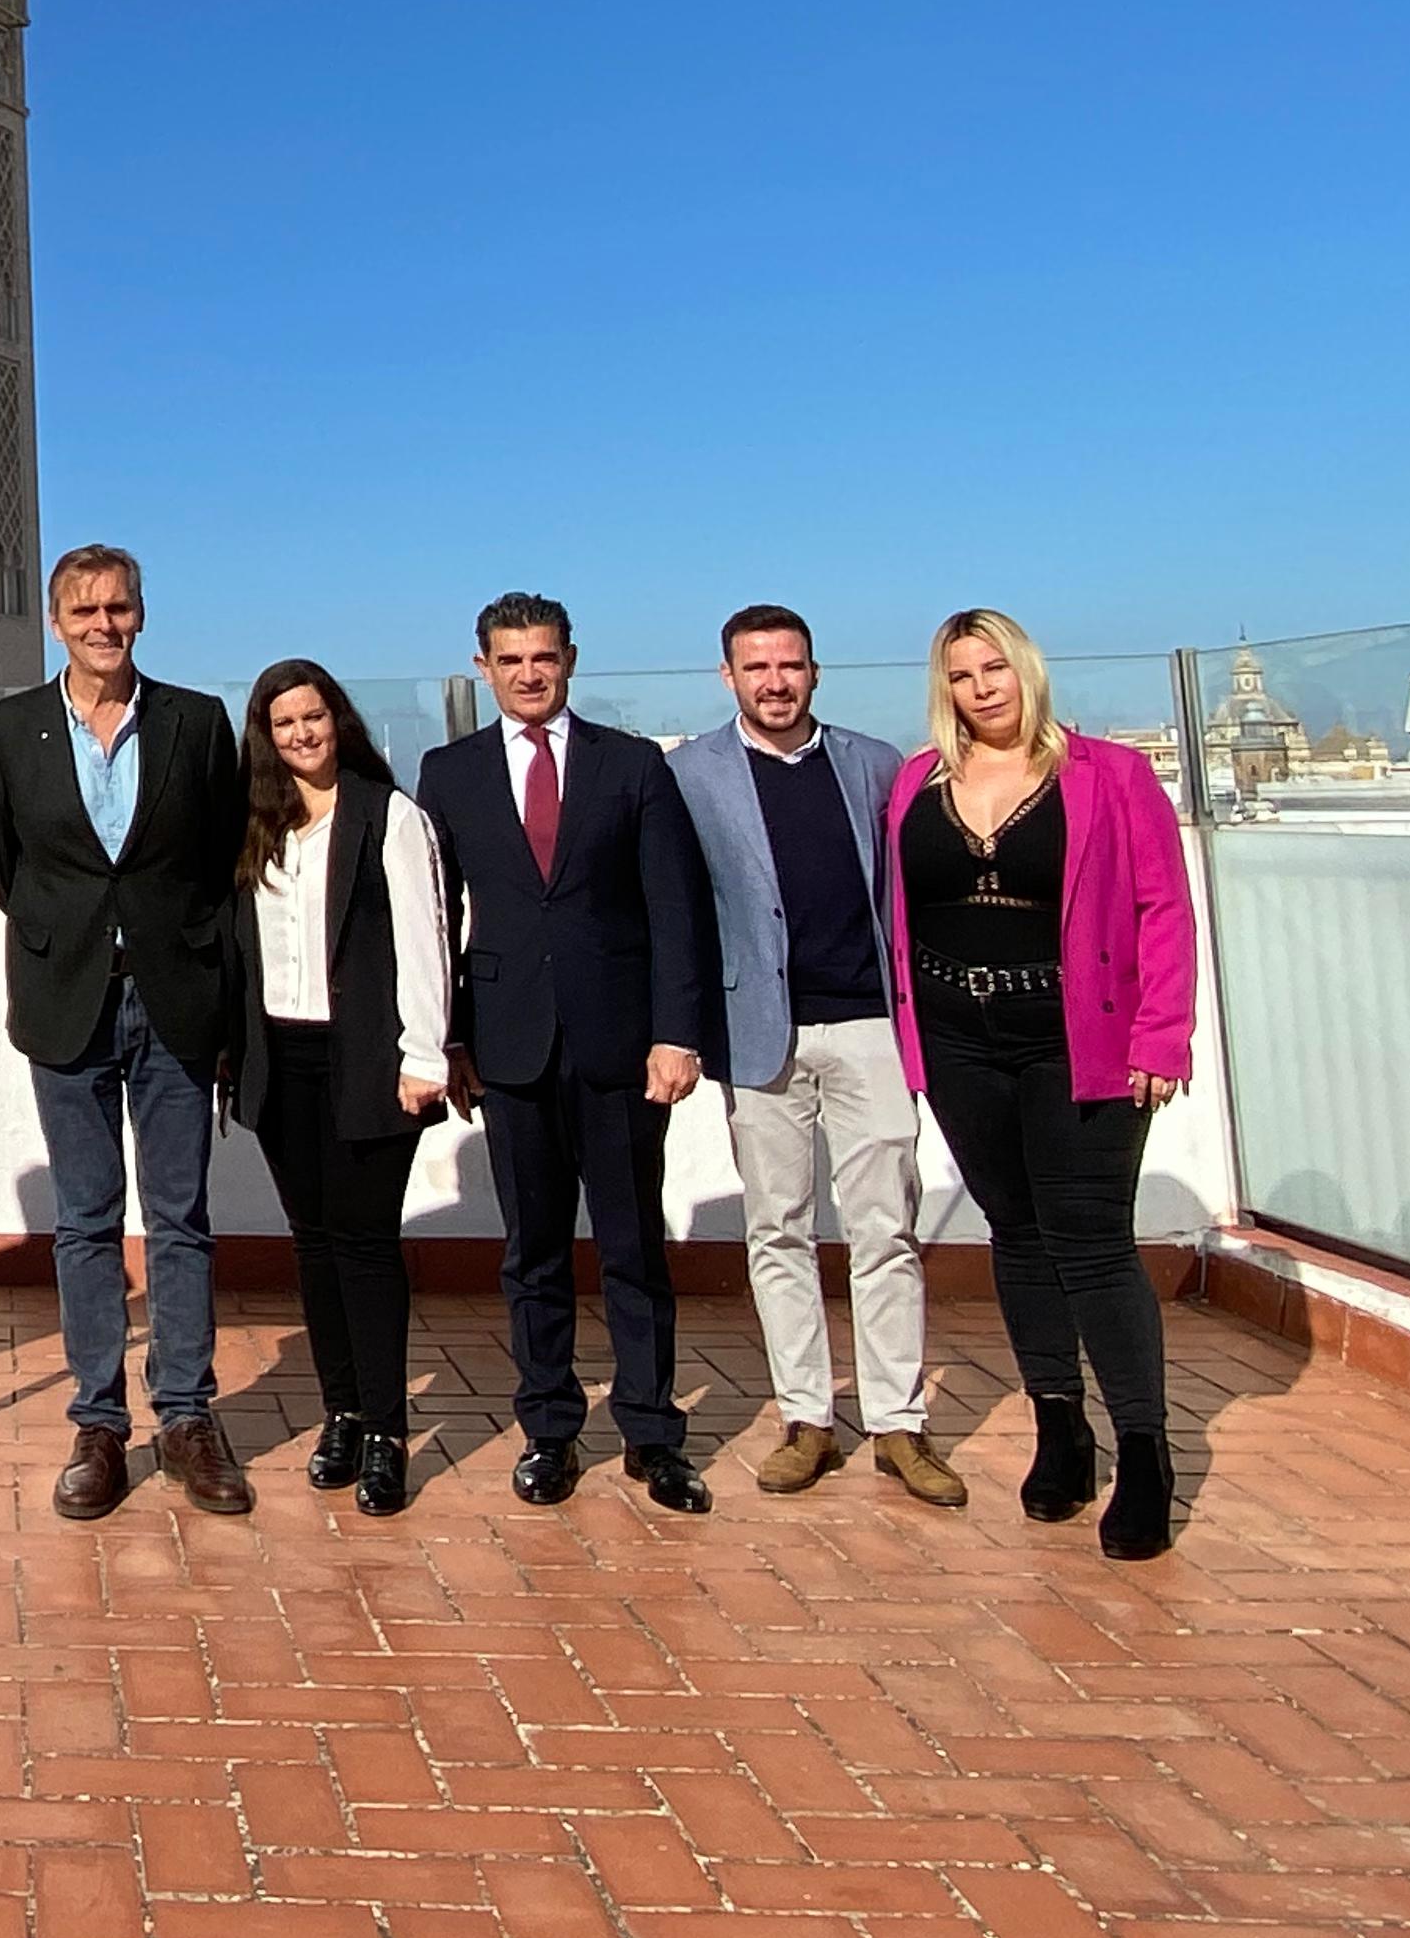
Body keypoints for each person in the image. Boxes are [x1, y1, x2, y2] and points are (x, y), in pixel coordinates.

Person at [884, 609, 1197, 1560]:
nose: (983, 688)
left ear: (1026, 671)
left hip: (1077, 1036)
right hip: (955, 1039)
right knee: (1015, 1235)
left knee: (1094, 1243)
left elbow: (1161, 905)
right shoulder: (915, 780)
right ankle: (1062, 1428)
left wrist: (1162, 1038)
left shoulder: (1109, 774)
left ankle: (1145, 1451)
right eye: (962, 675)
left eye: (995, 668)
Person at [412, 593, 716, 1515]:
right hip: (508, 1048)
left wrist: (678, 1033)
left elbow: (676, 906)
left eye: (543, 658)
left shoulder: (632, 766)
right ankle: (549, 1429)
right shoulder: (449, 771)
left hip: (621, 1046)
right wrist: (450, 1038)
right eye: (510, 661)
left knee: (632, 1249)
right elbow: (436, 917)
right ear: (483, 668)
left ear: (570, 660)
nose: (529, 674)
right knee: (532, 1252)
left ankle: (653, 1434)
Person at [0, 543, 254, 1521]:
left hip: (175, 997)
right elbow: (4, 862)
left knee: (179, 1218)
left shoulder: (196, 724)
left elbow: (223, 860)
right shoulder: (7, 731)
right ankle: (100, 1422)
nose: (104, 624)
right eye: (85, 610)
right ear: (56, 622)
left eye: (120, 609)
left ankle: (187, 1416)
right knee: (87, 1219)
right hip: (66, 997)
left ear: (141, 616)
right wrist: (73, 936)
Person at [669, 608, 962, 1507]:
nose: (774, 681)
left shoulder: (877, 766)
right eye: (755, 667)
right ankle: (805, 1417)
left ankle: (898, 1425)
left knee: (885, 1228)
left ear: (815, 672)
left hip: (870, 1025)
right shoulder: (687, 774)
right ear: (728, 678)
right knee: (778, 1229)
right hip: (760, 1035)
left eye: (789, 665)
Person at [229, 660, 453, 1519]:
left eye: (313, 717)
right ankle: (343, 1413)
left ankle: (389, 1430)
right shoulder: (258, 824)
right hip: (281, 1060)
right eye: (284, 723)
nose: (301, 735)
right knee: (313, 1243)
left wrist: (424, 1055)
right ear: (267, 735)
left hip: (367, 1060)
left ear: (338, 720)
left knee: (364, 1244)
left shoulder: (388, 816)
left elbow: (427, 938)